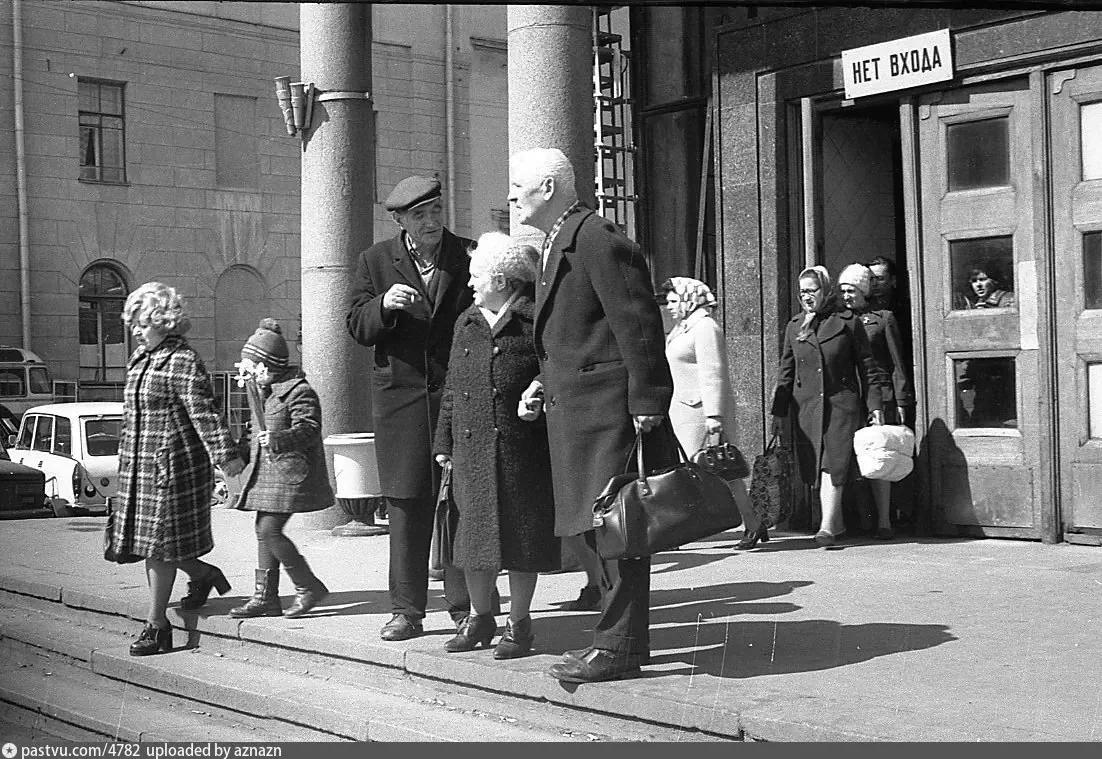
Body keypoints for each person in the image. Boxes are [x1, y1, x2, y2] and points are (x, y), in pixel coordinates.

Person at [509, 147, 675, 683]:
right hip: (578, 412)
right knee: (595, 531)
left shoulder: (596, 237)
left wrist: (648, 399)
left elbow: (638, 321)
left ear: (549, 188)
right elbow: (578, 334)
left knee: (615, 530)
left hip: (607, 414)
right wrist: (541, 383)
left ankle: (617, 647)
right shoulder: (561, 239)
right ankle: (619, 641)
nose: (510, 196)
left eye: (518, 186)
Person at [346, 176, 494, 642]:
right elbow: (356, 325)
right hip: (402, 403)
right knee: (406, 508)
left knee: (462, 504)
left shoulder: (468, 255)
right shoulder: (375, 261)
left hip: (459, 397)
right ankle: (406, 611)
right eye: (419, 215)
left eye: (435, 211)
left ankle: (466, 608)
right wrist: (383, 305)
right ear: (400, 220)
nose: (431, 222)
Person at [432, 232, 559, 659]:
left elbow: (555, 369)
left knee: (522, 542)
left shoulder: (533, 319)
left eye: (476, 276)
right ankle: (479, 618)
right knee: (473, 542)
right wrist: (444, 440)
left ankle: (519, 624)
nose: (470, 283)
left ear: (501, 281)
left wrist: (538, 389)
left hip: (520, 450)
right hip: (470, 451)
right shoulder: (467, 322)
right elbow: (453, 386)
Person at [108, 282, 245, 656]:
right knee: (153, 544)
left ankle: (157, 626)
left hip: (172, 468)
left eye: (141, 323)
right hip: (139, 468)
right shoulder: (140, 358)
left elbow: (205, 414)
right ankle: (204, 574)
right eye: (133, 324)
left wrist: (229, 463)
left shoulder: (182, 360)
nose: (136, 331)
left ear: (162, 321)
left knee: (158, 547)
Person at [770, 266, 889, 547]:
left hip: (841, 404)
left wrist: (875, 405)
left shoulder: (847, 322)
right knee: (815, 464)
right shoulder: (795, 326)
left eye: (812, 291)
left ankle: (826, 528)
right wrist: (778, 412)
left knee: (832, 463)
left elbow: (867, 367)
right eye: (802, 292)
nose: (806, 297)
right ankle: (837, 523)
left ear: (825, 290)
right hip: (807, 408)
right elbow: (785, 373)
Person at [228, 319, 334, 619]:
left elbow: (310, 428)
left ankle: (308, 586)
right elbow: (253, 432)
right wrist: (238, 456)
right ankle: (266, 598)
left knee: (268, 529)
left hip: (290, 473)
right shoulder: (261, 390)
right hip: (266, 474)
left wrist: (279, 438)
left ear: (267, 365)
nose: (247, 372)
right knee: (263, 529)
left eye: (252, 366)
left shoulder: (299, 391)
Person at [660, 277, 761, 549]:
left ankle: (752, 523)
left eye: (673, 301)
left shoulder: (705, 327)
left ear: (688, 299)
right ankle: (749, 524)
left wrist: (714, 416)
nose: (669, 307)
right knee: (697, 473)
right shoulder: (683, 328)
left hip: (700, 413)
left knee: (723, 471)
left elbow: (713, 373)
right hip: (682, 412)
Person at [837, 264, 914, 540]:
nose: (846, 296)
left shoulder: (883, 319)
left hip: (881, 395)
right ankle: (861, 519)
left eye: (852, 291)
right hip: (850, 397)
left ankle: (884, 521)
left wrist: (902, 399)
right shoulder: (837, 321)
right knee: (853, 459)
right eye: (843, 291)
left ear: (864, 291)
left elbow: (896, 363)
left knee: (880, 456)